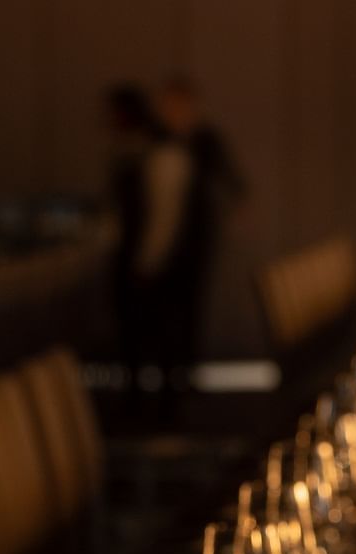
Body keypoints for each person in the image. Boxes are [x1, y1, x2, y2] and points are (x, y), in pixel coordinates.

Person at [104, 83, 192, 409]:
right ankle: (145, 403)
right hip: (138, 257)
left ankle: (158, 408)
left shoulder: (159, 153)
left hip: (149, 260)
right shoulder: (138, 151)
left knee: (154, 335)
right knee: (137, 337)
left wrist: (148, 261)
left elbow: (163, 214)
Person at [154, 75, 247, 372]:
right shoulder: (157, 139)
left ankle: (185, 372)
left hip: (195, 237)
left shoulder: (205, 140)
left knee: (189, 308)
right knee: (161, 311)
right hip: (161, 237)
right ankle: (166, 372)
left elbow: (234, 182)